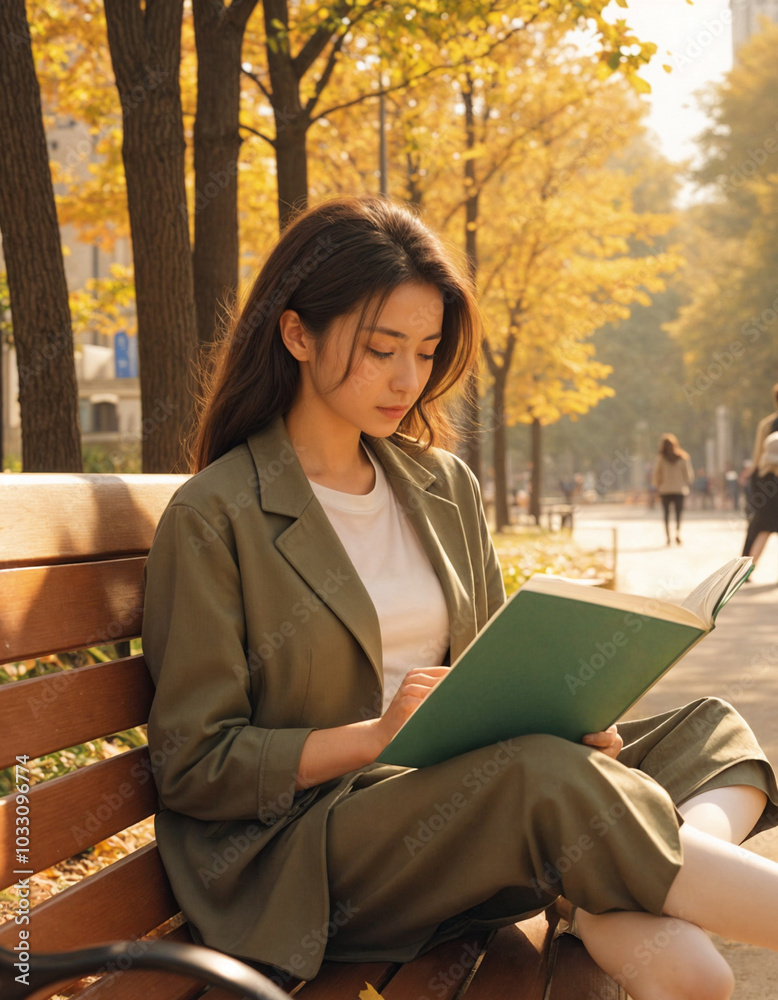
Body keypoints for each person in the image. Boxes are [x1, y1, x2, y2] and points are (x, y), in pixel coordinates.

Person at [142, 196, 778, 1000]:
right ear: (297, 334)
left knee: (713, 731)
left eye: (427, 350)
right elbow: (193, 765)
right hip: (318, 851)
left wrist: (576, 712)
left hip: (474, 796)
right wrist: (370, 738)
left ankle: (609, 880)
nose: (409, 379)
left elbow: (493, 666)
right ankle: (619, 875)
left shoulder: (440, 485)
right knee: (542, 781)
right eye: (381, 350)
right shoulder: (216, 514)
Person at [741, 430, 778, 568]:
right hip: (771, 512)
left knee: (761, 537)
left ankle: (746, 571)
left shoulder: (759, 471)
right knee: (761, 537)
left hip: (764, 513)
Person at [651, 433, 694, 545]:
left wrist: (658, 486)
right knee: (678, 514)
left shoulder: (661, 459)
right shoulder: (683, 458)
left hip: (665, 490)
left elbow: (656, 476)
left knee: (666, 514)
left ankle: (668, 537)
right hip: (679, 490)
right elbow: (689, 476)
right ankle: (677, 532)